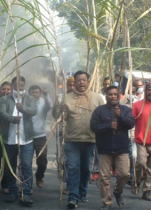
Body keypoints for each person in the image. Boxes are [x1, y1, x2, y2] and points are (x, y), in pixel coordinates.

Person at [53, 71, 104, 209]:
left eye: (84, 80)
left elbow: (103, 116)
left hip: (90, 139)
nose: (82, 82)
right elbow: (57, 116)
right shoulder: (66, 97)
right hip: (72, 139)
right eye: (79, 80)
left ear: (88, 82)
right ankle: (73, 197)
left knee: (86, 169)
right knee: (73, 168)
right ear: (74, 82)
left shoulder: (97, 98)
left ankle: (83, 192)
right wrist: (58, 108)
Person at [91, 86, 135, 210]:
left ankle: (117, 191)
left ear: (119, 96)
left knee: (125, 174)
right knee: (104, 177)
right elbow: (94, 127)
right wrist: (108, 126)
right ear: (106, 96)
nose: (113, 96)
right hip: (105, 148)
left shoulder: (125, 110)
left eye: (115, 94)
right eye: (110, 94)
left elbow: (131, 124)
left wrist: (120, 116)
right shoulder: (99, 110)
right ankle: (106, 202)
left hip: (122, 148)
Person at [0, 76, 37, 206]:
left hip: (26, 140)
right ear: (13, 85)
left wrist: (23, 109)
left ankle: (25, 193)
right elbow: (2, 113)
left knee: (26, 166)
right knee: (10, 167)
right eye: (16, 84)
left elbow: (33, 111)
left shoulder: (30, 99)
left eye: (21, 84)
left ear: (24, 85)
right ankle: (13, 192)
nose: (19, 86)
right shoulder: (4, 99)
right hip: (9, 139)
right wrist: (12, 118)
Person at [29, 85, 53, 189]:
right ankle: (27, 185)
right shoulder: (26, 101)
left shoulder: (43, 102)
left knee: (42, 161)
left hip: (41, 137)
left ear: (40, 93)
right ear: (29, 93)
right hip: (27, 137)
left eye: (37, 93)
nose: (35, 94)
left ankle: (39, 177)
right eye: (33, 92)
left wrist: (46, 95)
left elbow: (49, 105)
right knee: (26, 162)